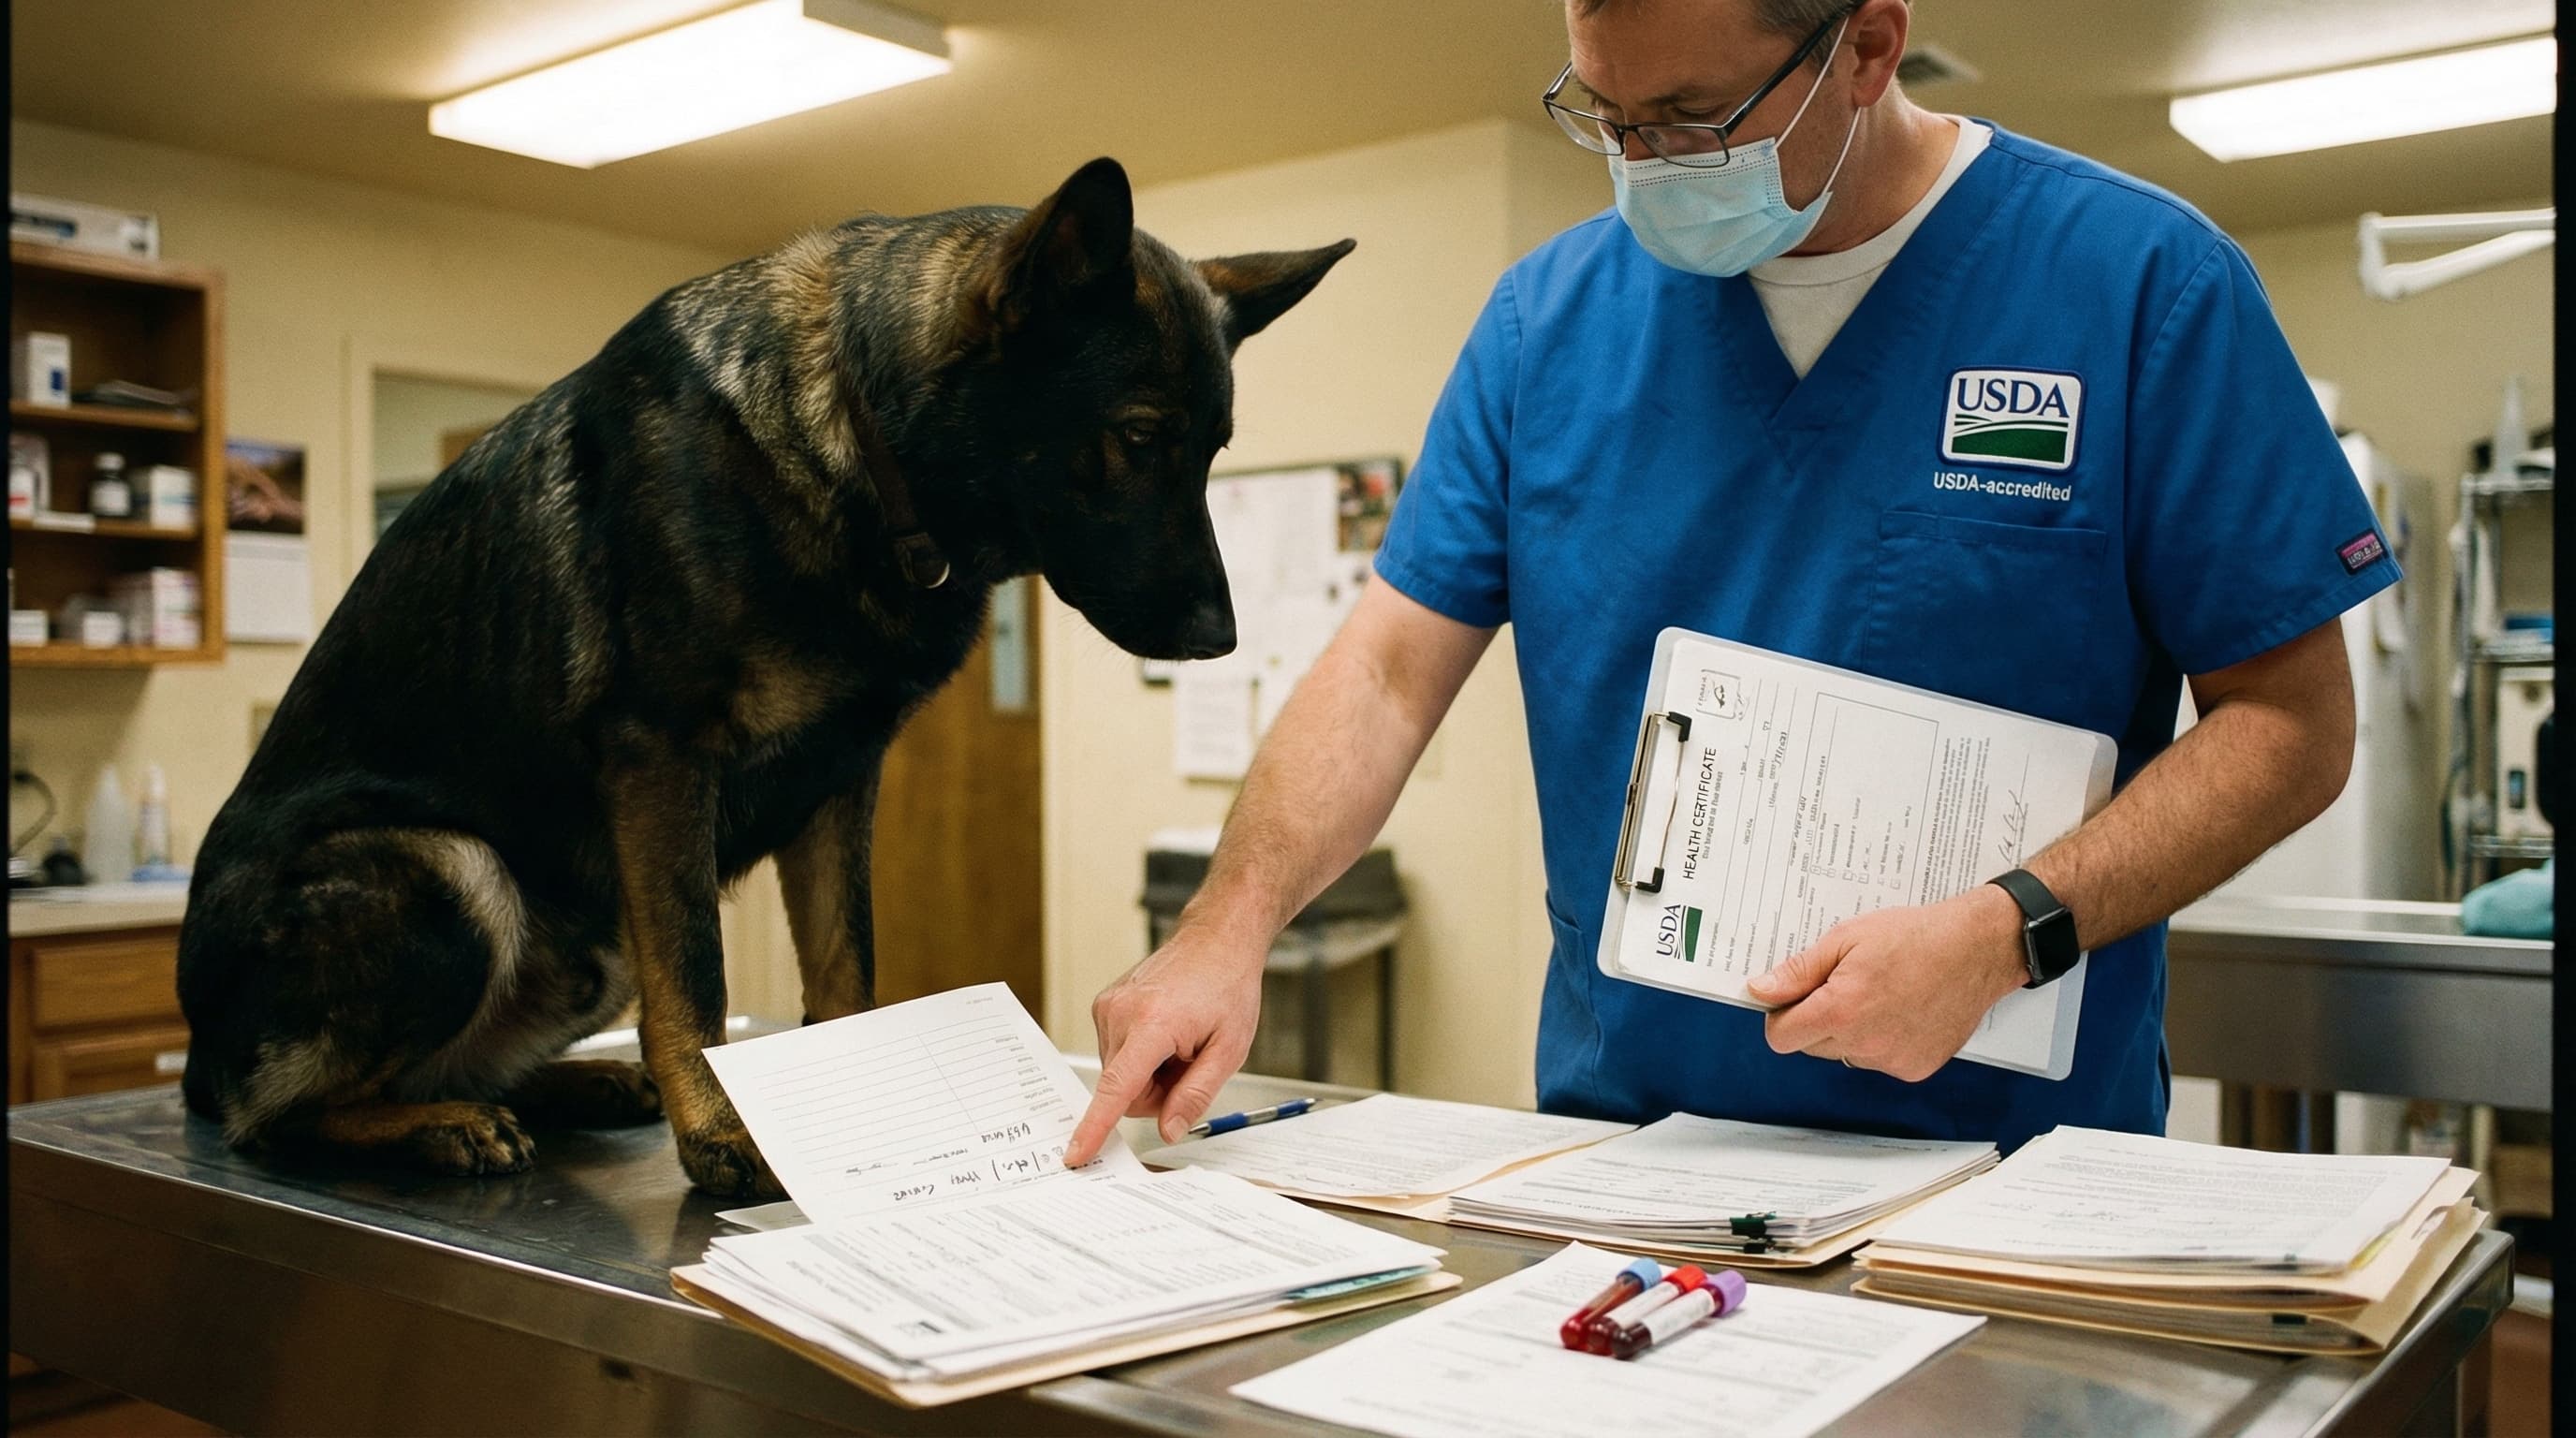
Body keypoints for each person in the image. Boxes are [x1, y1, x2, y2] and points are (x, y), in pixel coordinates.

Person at [1065, 0, 2394, 1165]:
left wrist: (2009, 931)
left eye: (1694, 117)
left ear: (1868, 44)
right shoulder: (1548, 327)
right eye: (1606, 112)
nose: (1642, 164)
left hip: (2011, 1177)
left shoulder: (2138, 286)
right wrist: (1226, 925)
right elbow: (1387, 671)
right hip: (1632, 1157)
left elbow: (2292, 726)